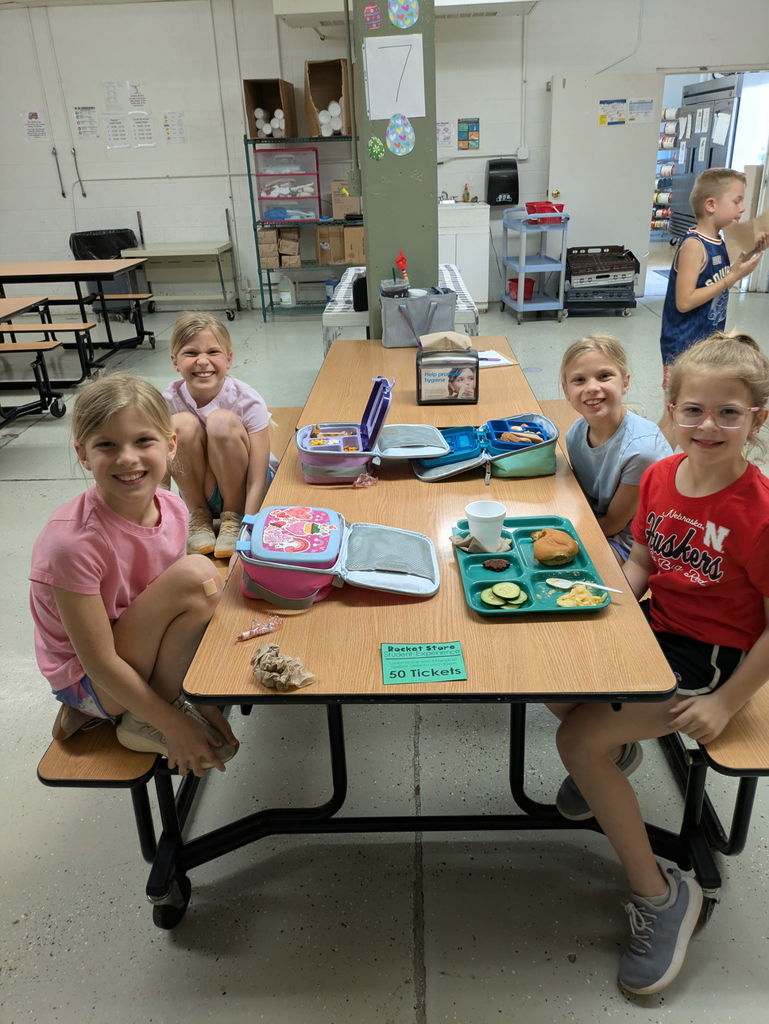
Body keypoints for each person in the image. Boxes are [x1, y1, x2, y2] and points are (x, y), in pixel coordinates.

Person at [550, 332, 769, 995]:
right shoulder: (656, 476)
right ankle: (613, 756)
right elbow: (643, 559)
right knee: (549, 660)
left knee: (574, 738)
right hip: (659, 626)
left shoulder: (756, 512)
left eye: (727, 413)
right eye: (693, 410)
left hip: (712, 657)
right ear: (669, 410)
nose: (708, 426)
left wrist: (726, 701)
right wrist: (609, 597)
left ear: (754, 420)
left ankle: (661, 896)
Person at [29, 373, 239, 777]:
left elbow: (171, 611)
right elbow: (101, 662)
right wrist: (173, 724)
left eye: (143, 441)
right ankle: (132, 717)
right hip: (91, 677)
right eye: (107, 445)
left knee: (208, 587)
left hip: (125, 646)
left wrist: (206, 701)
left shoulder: (173, 509)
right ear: (84, 454)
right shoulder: (71, 543)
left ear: (170, 444)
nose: (127, 458)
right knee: (199, 576)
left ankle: (135, 706)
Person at [658, 167, 768, 443]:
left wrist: (750, 256)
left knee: (692, 413)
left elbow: (716, 279)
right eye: (737, 201)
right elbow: (684, 302)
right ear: (711, 205)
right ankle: (647, 468)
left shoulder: (717, 240)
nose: (742, 209)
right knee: (675, 416)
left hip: (704, 345)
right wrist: (732, 277)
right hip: (682, 347)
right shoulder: (695, 245)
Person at [164, 312, 278, 559]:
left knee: (221, 422)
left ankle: (232, 518)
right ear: (175, 361)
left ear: (228, 358)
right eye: (191, 353)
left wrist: (249, 529)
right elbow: (159, 479)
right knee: (179, 425)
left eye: (213, 352)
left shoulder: (247, 400)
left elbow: (258, 478)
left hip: (248, 492)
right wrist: (160, 533)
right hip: (202, 494)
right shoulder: (166, 403)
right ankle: (199, 518)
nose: (202, 361)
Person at [561, 334, 671, 563]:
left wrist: (563, 538)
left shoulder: (642, 451)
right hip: (599, 521)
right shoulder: (575, 433)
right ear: (566, 390)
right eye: (579, 380)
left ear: (625, 382)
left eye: (604, 376)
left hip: (635, 544)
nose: (592, 387)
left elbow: (614, 524)